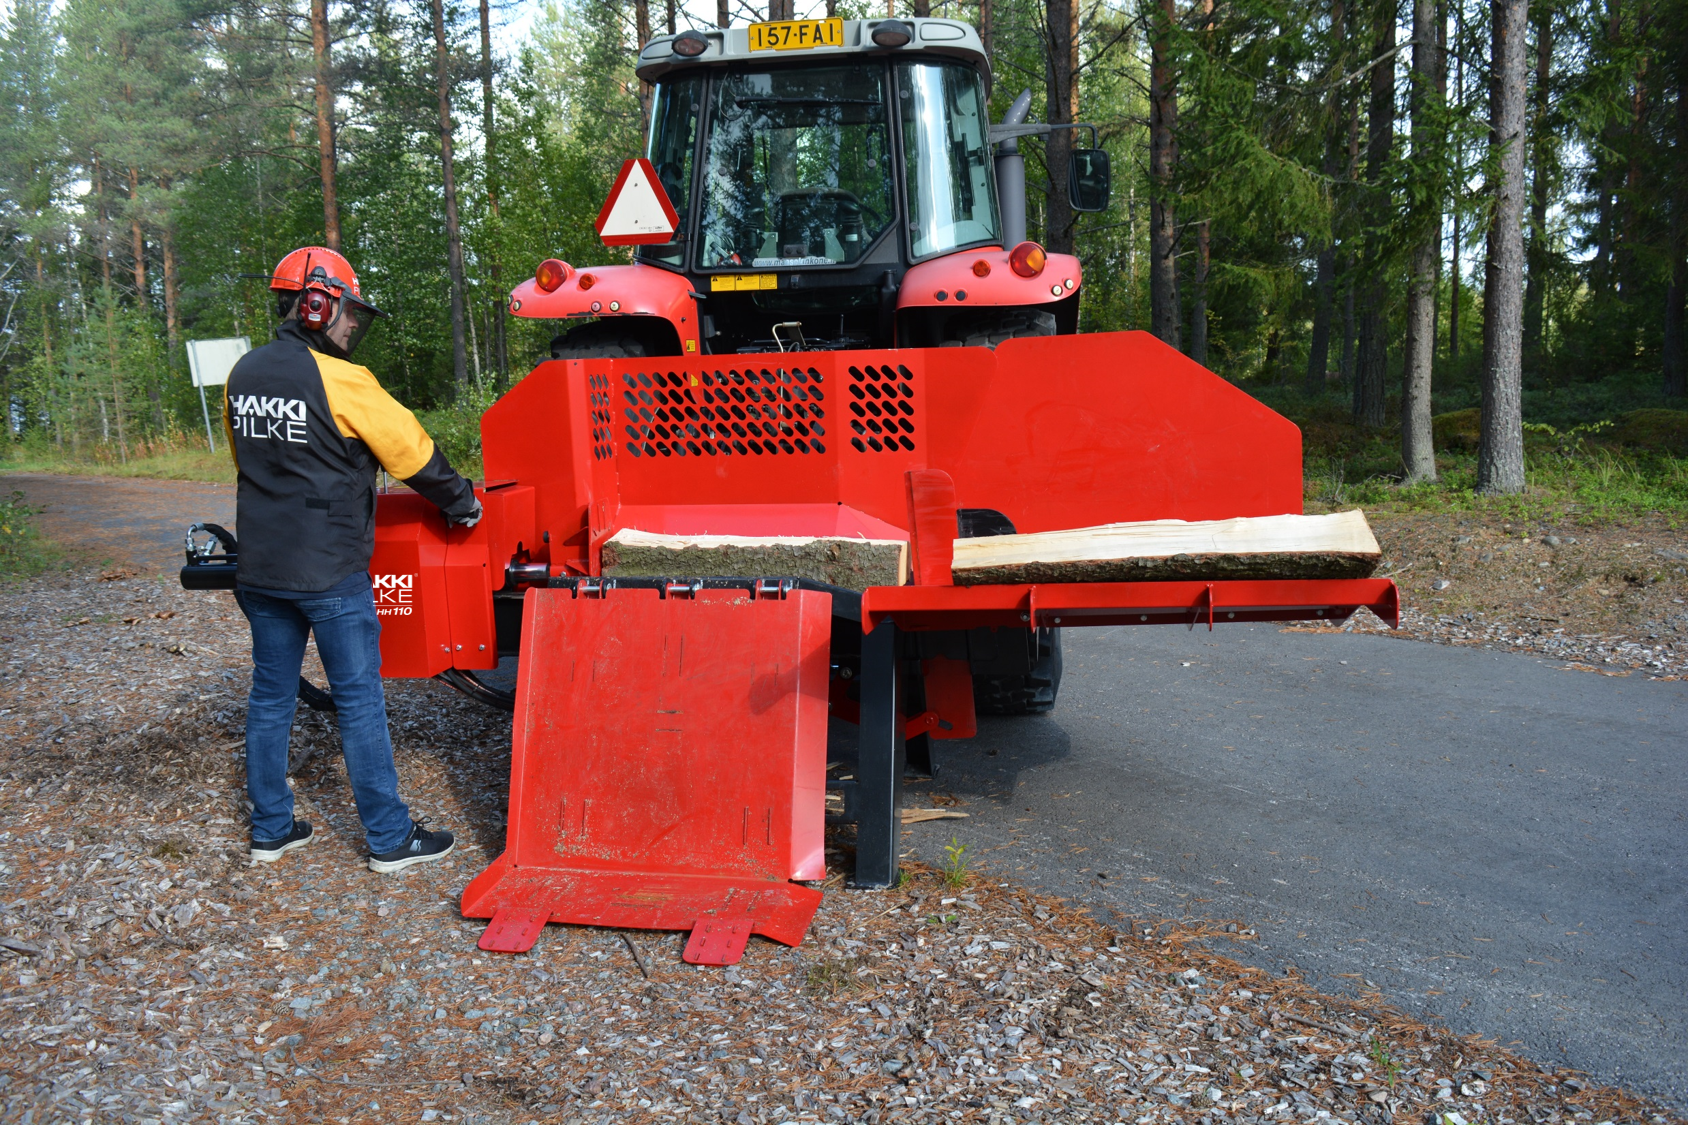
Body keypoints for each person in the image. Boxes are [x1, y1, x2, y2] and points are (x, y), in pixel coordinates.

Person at [223, 246, 481, 873]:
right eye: (345, 314)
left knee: (270, 699)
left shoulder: (243, 373)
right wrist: (464, 503)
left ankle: (272, 829)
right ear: (316, 302)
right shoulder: (342, 380)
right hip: (329, 569)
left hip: (261, 567)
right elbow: (412, 454)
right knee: (360, 698)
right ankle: (390, 839)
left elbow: (247, 461)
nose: (349, 328)